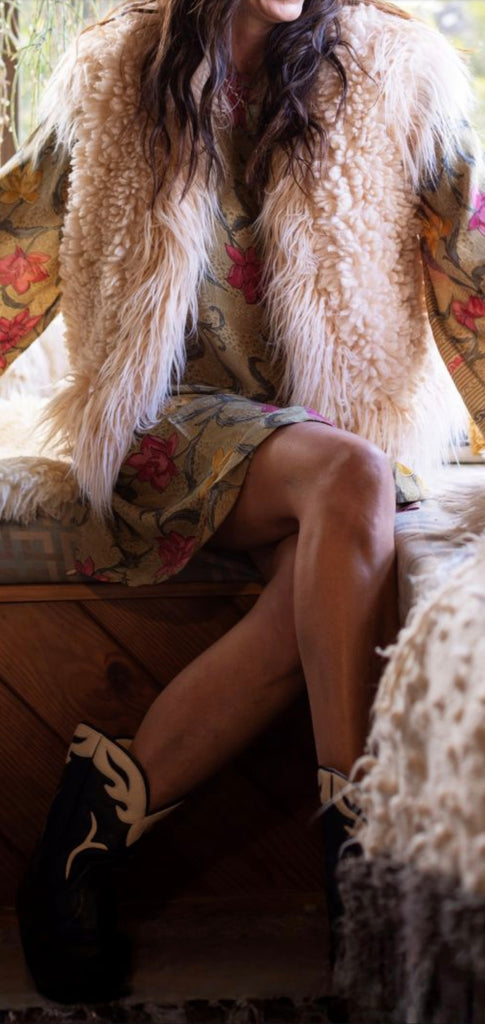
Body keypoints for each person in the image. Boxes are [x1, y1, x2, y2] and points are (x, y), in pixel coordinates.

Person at [0, 0, 484, 1005]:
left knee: (343, 518)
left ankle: (87, 828)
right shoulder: (110, 74)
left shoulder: (399, 74)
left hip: (322, 438)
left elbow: (470, 276)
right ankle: (364, 884)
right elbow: (13, 257)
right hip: (163, 428)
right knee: (352, 483)